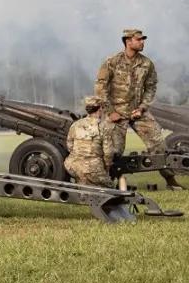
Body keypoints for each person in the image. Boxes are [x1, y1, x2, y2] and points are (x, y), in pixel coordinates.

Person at [94, 28, 184, 190]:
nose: (142, 42)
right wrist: (110, 111)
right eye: (139, 39)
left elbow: (151, 87)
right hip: (116, 113)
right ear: (128, 41)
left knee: (159, 145)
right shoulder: (111, 62)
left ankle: (171, 181)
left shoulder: (146, 63)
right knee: (113, 151)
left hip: (138, 112)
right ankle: (108, 183)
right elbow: (101, 88)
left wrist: (142, 108)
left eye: (143, 39)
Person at [63, 96, 116, 188]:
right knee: (110, 188)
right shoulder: (104, 127)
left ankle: (82, 184)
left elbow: (69, 145)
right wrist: (106, 168)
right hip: (93, 168)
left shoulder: (76, 124)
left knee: (84, 183)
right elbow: (108, 153)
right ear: (100, 109)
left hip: (72, 166)